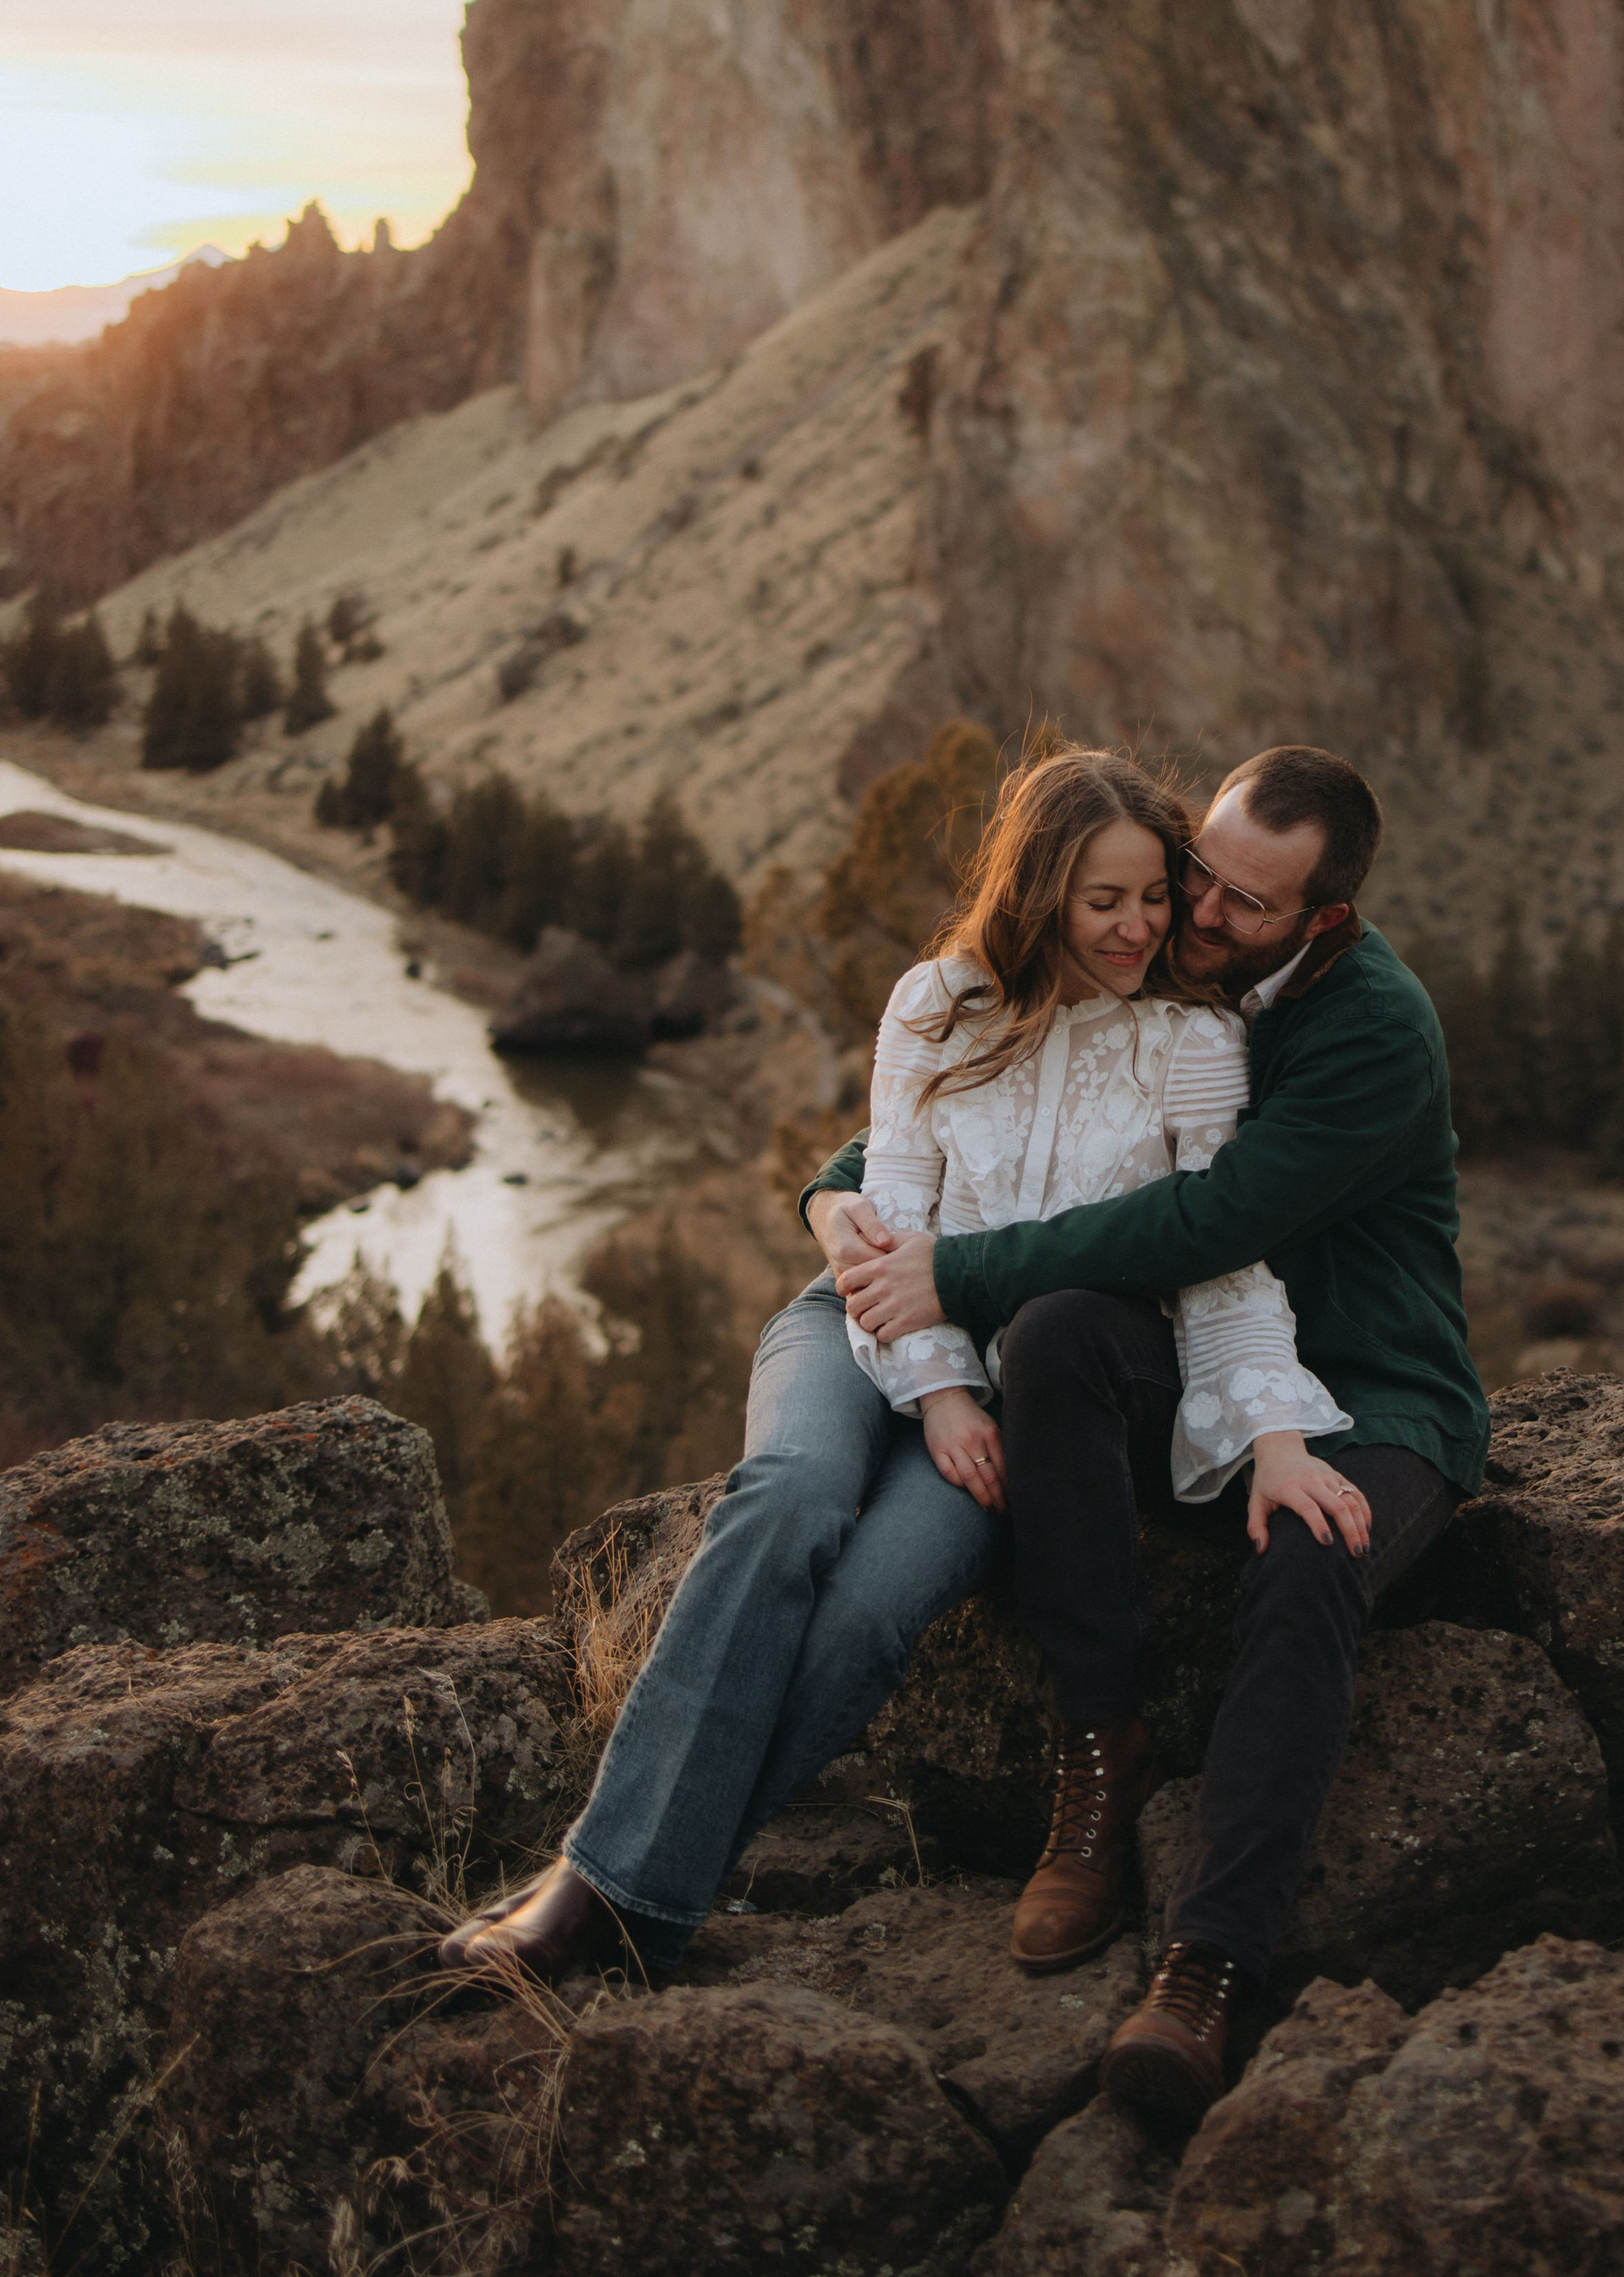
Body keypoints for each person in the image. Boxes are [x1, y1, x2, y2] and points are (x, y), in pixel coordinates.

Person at [439, 741, 1347, 1984]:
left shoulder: (1192, 1046)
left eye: (1154, 894)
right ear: (1040, 896)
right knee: (789, 1499)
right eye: (1104, 900)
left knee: (873, 1610)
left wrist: (1277, 1440)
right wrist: (943, 1394)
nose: (1141, 926)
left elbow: (1220, 1266)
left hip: (1007, 1388)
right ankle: (594, 1885)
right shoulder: (939, 1003)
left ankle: (630, 1898)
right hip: (858, 1323)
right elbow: (887, 1217)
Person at [823, 743, 1488, 2128]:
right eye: (1199, 876)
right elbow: (963, 1082)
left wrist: (960, 1273)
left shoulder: (1366, 1028)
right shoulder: (1182, 971)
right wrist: (833, 1195)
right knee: (1061, 1336)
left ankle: (1206, 1968)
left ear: (1323, 919)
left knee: (1306, 1561)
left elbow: (1212, 1228)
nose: (1195, 913)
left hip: (1374, 1392)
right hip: (1201, 1362)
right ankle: (1098, 1751)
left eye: (1244, 905)